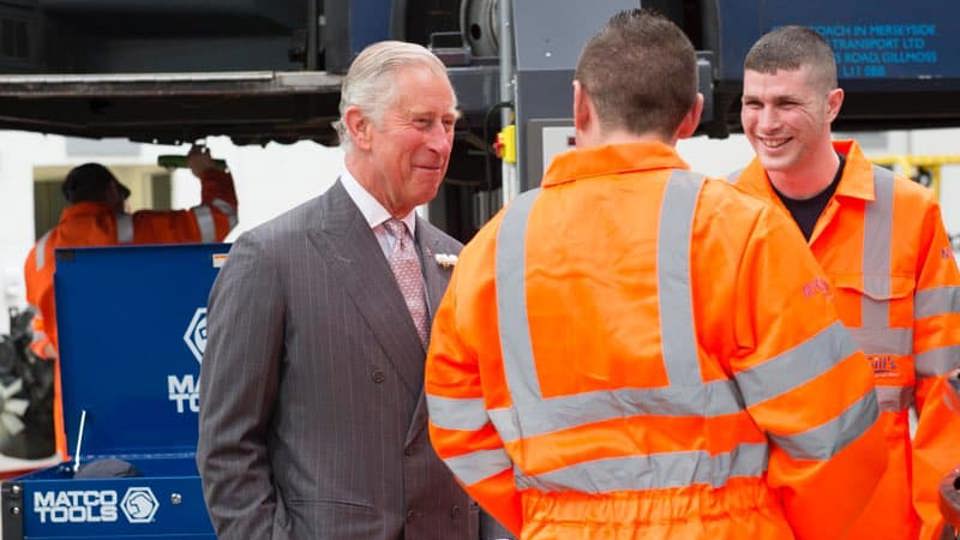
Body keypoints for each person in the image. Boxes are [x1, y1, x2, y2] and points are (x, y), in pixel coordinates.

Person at [424, 9, 887, 539]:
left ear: (578, 104)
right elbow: (835, 435)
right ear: (691, 115)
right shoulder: (744, 233)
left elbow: (458, 426)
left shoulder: (494, 248)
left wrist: (555, 515)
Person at [196, 41, 510, 540]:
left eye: (448, 124)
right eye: (422, 122)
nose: (442, 143)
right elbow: (228, 449)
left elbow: (489, 431)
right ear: (361, 127)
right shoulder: (272, 257)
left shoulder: (459, 260)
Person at [729, 25, 960, 540]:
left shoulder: (909, 214)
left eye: (786, 103)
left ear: (832, 104)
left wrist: (940, 523)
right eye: (753, 103)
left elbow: (947, 391)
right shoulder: (715, 218)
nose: (765, 123)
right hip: (755, 523)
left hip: (877, 524)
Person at [23, 145, 237, 458]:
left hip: (77, 408)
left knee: (87, 479)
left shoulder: (40, 254)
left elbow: (39, 338)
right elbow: (221, 215)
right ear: (111, 192)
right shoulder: (138, 231)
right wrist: (208, 171)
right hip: (148, 388)